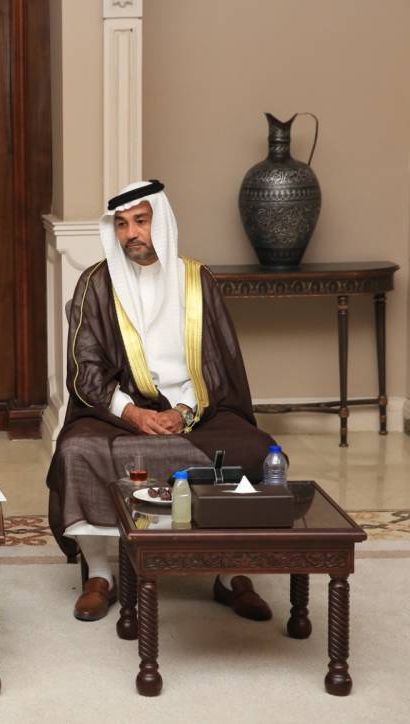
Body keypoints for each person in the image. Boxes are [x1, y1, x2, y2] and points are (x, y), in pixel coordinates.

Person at [46, 180, 278, 623]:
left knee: (255, 450)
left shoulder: (196, 280)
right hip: (117, 410)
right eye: (121, 224)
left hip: (197, 407)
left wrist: (183, 410)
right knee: (77, 451)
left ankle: (231, 573)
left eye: (140, 221)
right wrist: (131, 412)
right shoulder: (96, 283)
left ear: (162, 222)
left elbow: (217, 361)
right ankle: (100, 574)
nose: (131, 233)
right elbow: (85, 367)